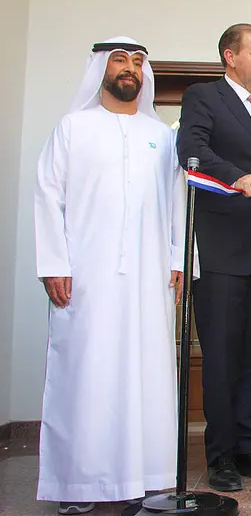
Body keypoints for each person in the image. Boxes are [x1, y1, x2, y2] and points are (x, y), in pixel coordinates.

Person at [34, 37, 187, 515]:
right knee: (87, 372)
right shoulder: (72, 128)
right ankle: (78, 484)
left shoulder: (160, 135)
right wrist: (53, 263)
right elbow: (47, 196)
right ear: (101, 68)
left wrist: (179, 259)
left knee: (149, 372)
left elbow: (177, 199)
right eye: (120, 60)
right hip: (86, 275)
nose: (130, 69)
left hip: (150, 277)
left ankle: (151, 476)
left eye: (138, 62)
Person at [176, 23, 251, 491]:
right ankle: (220, 456)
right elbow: (192, 153)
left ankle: (250, 450)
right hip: (222, 248)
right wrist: (238, 175)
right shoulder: (203, 97)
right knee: (221, 357)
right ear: (230, 56)